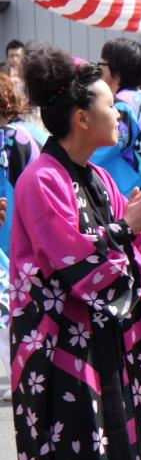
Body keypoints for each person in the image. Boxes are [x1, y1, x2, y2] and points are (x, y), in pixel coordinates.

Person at [11, 45, 141, 460]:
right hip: (54, 346)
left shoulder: (100, 177)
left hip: (97, 337)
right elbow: (68, 257)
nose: (119, 113)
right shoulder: (41, 178)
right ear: (82, 119)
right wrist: (127, 228)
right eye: (110, 105)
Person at [0, 71, 47, 401]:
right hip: (25, 230)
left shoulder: (12, 138)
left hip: (11, 231)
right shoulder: (28, 133)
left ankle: (22, 369)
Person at [93, 37, 141, 196]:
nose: (99, 69)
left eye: (102, 64)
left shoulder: (121, 107)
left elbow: (98, 153)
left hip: (135, 197)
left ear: (117, 70)